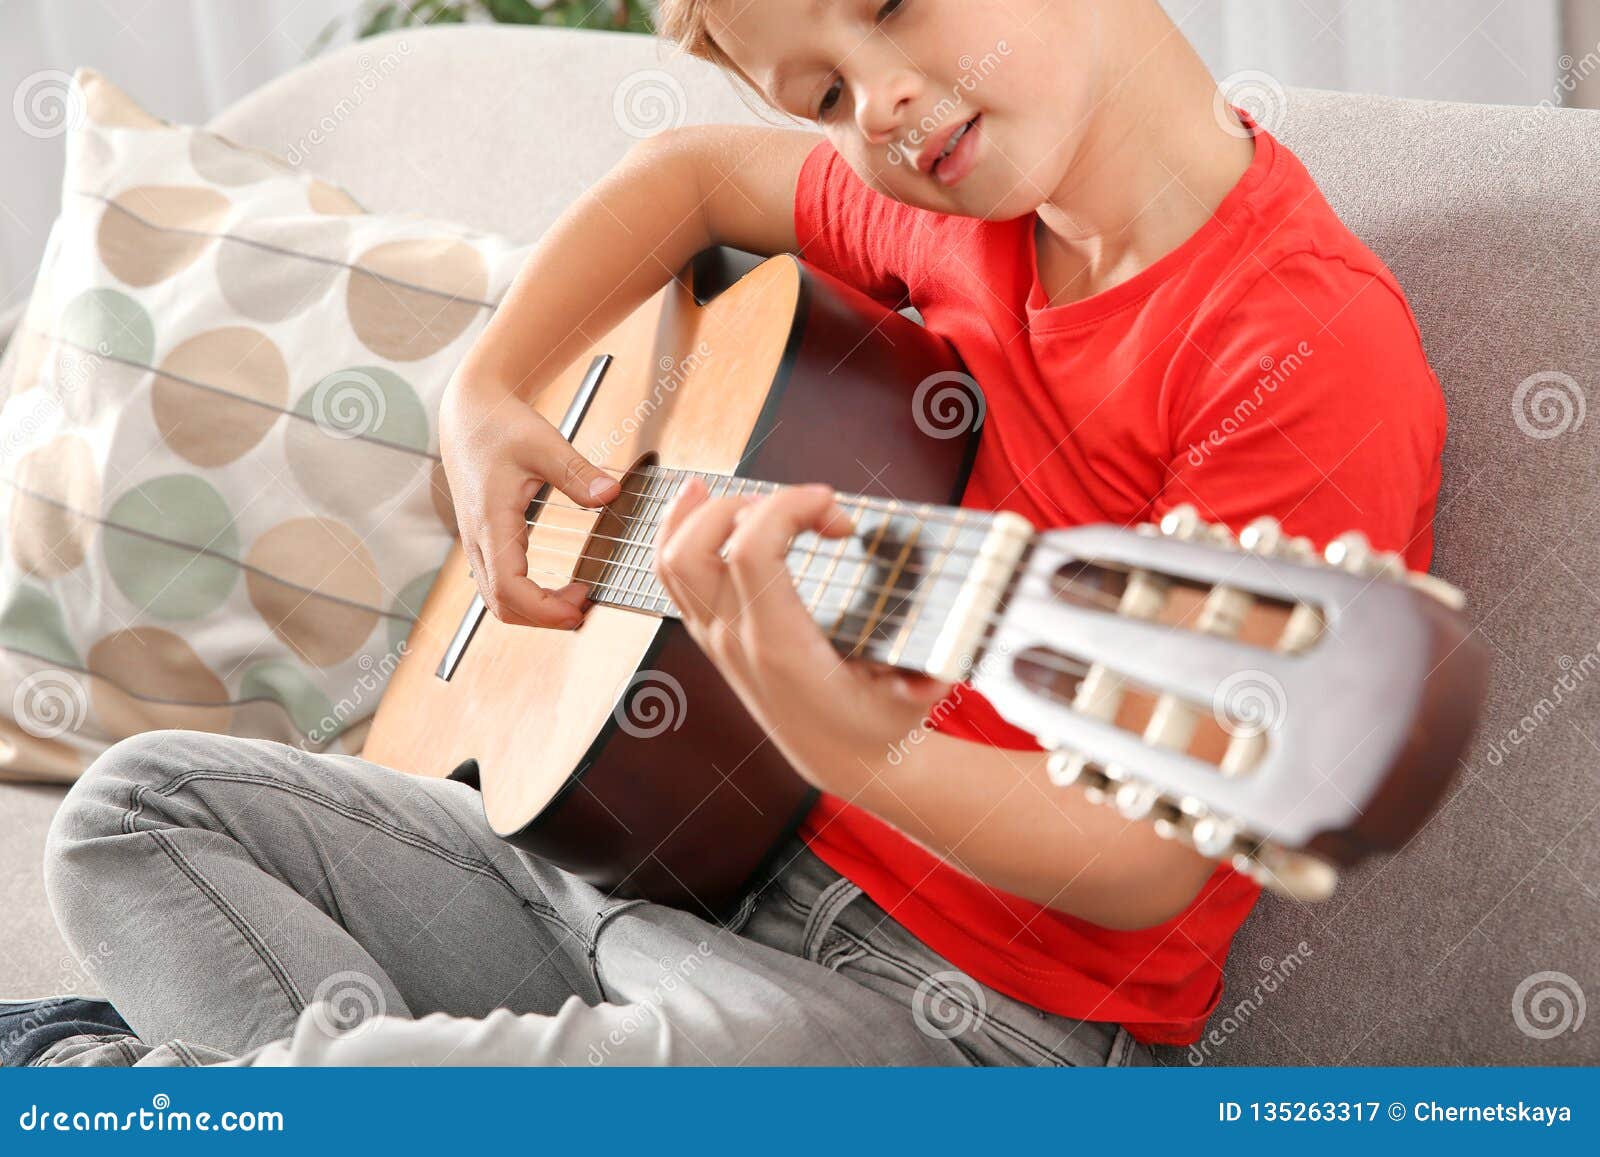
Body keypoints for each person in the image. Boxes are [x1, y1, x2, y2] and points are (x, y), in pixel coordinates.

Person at [11, 0, 1444, 1067]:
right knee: (130, 815)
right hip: (668, 874)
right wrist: (490, 386)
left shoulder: (1302, 345)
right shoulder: (945, 211)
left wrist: (854, 744)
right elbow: (692, 179)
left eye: (889, 5)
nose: (879, 101)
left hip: (963, 1029)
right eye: (819, 91)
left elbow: (1150, 858)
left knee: (384, 1077)